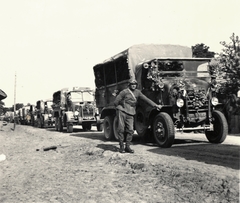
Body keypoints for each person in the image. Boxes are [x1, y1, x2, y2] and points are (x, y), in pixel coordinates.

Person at [114, 79, 162, 153]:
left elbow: (146, 99)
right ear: (129, 85)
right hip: (122, 111)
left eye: (135, 84)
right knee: (121, 129)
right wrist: (120, 108)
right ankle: (121, 147)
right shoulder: (124, 92)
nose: (133, 85)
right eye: (132, 84)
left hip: (131, 112)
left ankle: (127, 146)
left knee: (130, 130)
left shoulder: (137, 92)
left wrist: (155, 105)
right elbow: (116, 101)